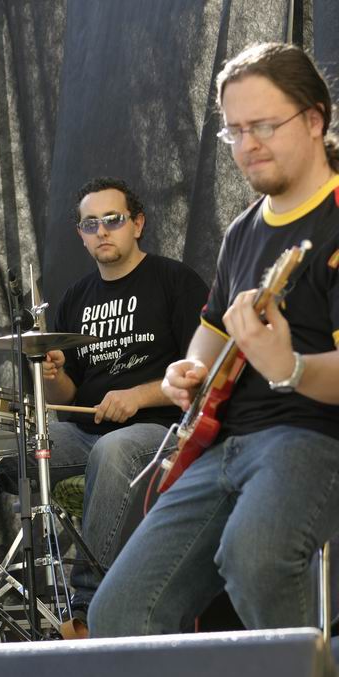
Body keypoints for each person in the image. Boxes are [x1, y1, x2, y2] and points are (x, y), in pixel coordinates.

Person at [88, 43, 339, 638]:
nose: (248, 144)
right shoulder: (243, 230)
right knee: (117, 613)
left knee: (254, 561)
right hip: (220, 444)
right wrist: (186, 372)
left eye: (264, 126)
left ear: (314, 118)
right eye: (234, 131)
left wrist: (290, 368)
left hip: (311, 436)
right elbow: (213, 329)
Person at [32, 176, 208, 633]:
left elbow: (204, 370)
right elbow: (66, 397)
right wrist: (53, 376)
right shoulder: (76, 297)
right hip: (85, 432)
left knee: (114, 450)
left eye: (113, 219)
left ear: (137, 224)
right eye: (90, 224)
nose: (102, 231)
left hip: (161, 433)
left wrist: (138, 396)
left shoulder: (175, 281)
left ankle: (88, 613)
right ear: (81, 235)